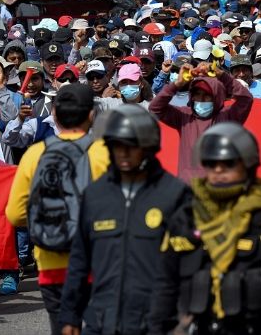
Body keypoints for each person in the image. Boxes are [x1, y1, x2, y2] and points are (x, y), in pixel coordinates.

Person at [149, 123, 261, 335]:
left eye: (228, 163)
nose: (218, 170)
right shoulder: (187, 216)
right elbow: (165, 282)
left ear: (248, 164)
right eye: (211, 163)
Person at [59, 105, 189, 335]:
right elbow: (79, 259)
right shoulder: (95, 195)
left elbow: (191, 265)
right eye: (117, 146)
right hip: (101, 321)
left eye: (131, 146)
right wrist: (70, 314)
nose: (123, 153)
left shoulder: (175, 194)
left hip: (157, 324)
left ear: (148, 147)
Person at [5, 84, 111, 335]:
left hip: (50, 259)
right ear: (91, 115)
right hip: (98, 262)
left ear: (54, 113)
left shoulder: (35, 154)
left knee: (63, 327)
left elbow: (15, 214)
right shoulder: (106, 154)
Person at [149, 61, 253, 181]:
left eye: (207, 95)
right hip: (188, 189)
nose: (201, 99)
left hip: (217, 188)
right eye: (197, 94)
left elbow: (246, 99)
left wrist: (221, 75)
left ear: (217, 96)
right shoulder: (184, 115)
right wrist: (177, 84)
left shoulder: (228, 116)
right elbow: (155, 108)